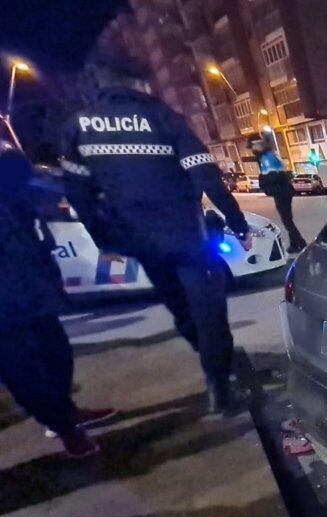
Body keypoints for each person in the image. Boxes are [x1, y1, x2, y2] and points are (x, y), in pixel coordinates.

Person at [60, 50, 252, 414]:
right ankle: (220, 387)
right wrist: (237, 223)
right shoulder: (163, 118)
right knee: (209, 312)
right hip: (187, 237)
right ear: (139, 83)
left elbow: (78, 194)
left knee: (180, 308)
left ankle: (215, 368)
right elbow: (206, 175)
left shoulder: (79, 126)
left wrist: (105, 239)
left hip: (141, 241)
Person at [0, 147, 114, 458]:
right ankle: (66, 430)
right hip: (7, 304)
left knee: (56, 352)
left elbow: (31, 189)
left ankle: (66, 413)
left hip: (30, 286)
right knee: (24, 370)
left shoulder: (12, 188)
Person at [248, 134, 306, 253]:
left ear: (257, 145)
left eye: (253, 146)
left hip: (281, 191)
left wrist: (262, 180)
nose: (252, 150)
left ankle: (301, 244)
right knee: (287, 219)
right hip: (283, 191)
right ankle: (295, 244)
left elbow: (274, 176)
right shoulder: (268, 155)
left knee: (287, 221)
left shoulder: (266, 158)